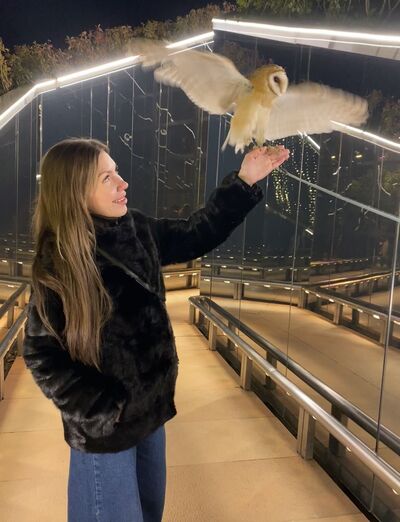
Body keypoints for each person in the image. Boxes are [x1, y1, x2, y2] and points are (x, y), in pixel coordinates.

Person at [22, 138, 289, 522]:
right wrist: (100, 410)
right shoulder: (59, 261)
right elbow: (40, 352)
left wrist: (246, 180)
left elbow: (197, 232)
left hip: (150, 414)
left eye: (116, 171)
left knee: (149, 512)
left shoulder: (136, 229)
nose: (123, 183)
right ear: (75, 191)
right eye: (106, 178)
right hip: (105, 431)